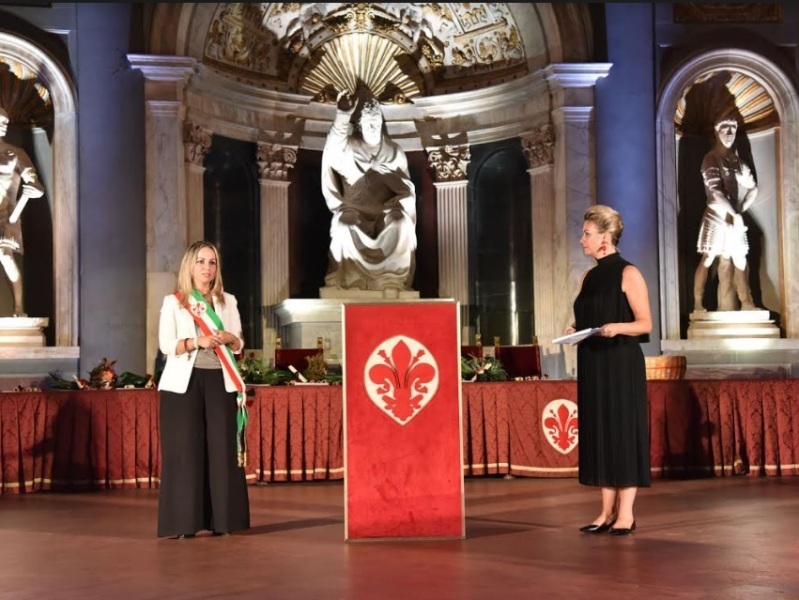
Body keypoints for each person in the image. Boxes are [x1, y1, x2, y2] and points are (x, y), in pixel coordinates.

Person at [564, 205, 652, 536]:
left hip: (620, 362)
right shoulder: (588, 277)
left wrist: (617, 327)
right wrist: (574, 327)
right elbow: (588, 316)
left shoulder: (629, 273)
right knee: (601, 432)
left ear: (605, 237)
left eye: (587, 234)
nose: (581, 239)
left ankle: (626, 514)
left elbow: (645, 323)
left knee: (622, 432)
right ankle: (605, 512)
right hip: (594, 362)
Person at [157, 240, 250, 539]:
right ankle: (183, 523)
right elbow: (166, 345)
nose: (207, 268)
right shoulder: (174, 302)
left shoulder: (228, 301)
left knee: (222, 451)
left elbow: (239, 343)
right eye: (201, 261)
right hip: (183, 384)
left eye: (212, 262)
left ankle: (223, 520)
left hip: (220, 381)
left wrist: (230, 338)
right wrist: (198, 341)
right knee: (186, 452)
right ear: (190, 265)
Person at [321, 90, 417, 292]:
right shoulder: (349, 146)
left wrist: (390, 180)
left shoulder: (394, 151)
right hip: (353, 209)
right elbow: (333, 149)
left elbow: (407, 188)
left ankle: (391, 280)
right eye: (368, 123)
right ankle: (350, 281)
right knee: (343, 226)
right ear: (360, 125)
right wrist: (343, 116)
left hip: (386, 211)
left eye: (377, 123)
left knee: (401, 223)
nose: (373, 128)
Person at [693, 116, 758, 312]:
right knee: (708, 258)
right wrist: (735, 214)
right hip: (716, 214)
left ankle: (746, 302)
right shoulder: (711, 158)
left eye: (733, 129)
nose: (730, 133)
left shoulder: (737, 161)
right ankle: (698, 304)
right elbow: (716, 192)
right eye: (725, 129)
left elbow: (753, 188)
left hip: (733, 216)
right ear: (716, 131)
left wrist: (740, 210)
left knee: (740, 258)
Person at [0, 107, 45, 317]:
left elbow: (36, 186)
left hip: (7, 214)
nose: (3, 125)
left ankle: (18, 307)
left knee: (5, 256)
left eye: (5, 121)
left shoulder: (15, 153)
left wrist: (33, 189)